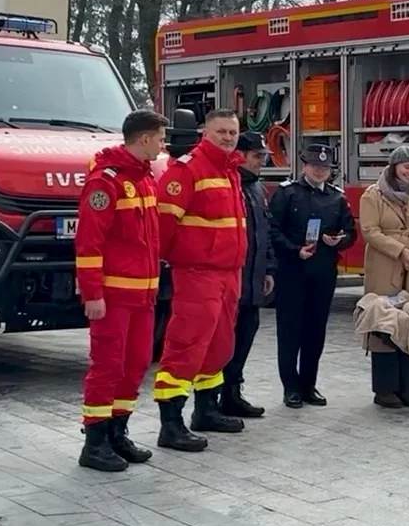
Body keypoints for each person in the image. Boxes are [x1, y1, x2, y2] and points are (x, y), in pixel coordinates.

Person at [72, 110, 168, 472]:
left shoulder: (144, 179)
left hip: (142, 297)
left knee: (135, 365)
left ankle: (117, 432)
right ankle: (94, 442)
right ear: (143, 139)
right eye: (160, 138)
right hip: (112, 297)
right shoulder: (106, 182)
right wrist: (92, 294)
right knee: (107, 366)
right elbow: (89, 244)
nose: (163, 144)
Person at [150, 108, 250, 450]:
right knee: (187, 343)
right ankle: (171, 422)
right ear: (205, 133)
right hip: (197, 273)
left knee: (219, 344)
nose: (227, 137)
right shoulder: (189, 168)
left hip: (227, 273)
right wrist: (174, 260)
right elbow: (164, 223)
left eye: (232, 132)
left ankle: (206, 409)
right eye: (220, 131)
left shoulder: (230, 170)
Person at [269, 144, 356, 407]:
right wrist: (295, 250)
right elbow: (272, 230)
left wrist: (338, 241)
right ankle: (290, 387)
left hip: (322, 272)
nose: (320, 171)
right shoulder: (287, 194)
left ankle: (309, 385)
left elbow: (351, 233)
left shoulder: (337, 197)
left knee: (315, 331)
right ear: (304, 166)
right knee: (289, 331)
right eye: (315, 166)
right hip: (292, 271)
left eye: (325, 168)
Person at [359, 145, 409, 408]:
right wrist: (399, 250)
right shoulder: (373, 195)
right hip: (384, 265)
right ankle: (384, 389)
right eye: (406, 167)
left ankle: (407, 387)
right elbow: (370, 231)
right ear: (394, 166)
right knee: (384, 323)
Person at [216, 132, 274, 418]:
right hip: (231, 282)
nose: (261, 162)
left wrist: (269, 270)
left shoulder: (256, 189)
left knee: (245, 336)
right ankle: (215, 397)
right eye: (256, 156)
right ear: (239, 155)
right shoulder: (230, 185)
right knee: (224, 340)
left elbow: (265, 232)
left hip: (252, 281)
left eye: (263, 157)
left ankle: (233, 393)